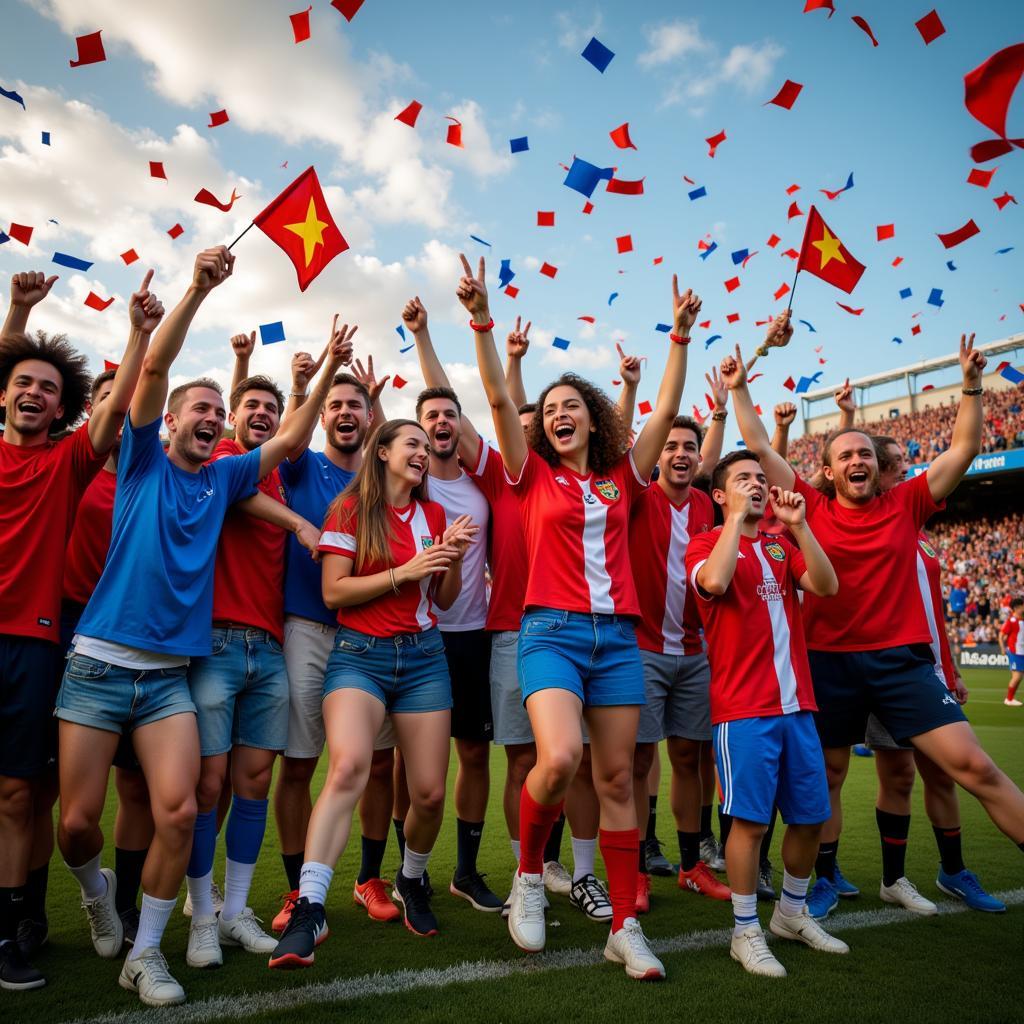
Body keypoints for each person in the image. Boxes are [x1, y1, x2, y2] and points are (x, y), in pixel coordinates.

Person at [54, 247, 351, 1008]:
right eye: (203, 411)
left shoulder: (224, 478)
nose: (212, 421)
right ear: (175, 422)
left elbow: (284, 443)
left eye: (219, 414)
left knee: (183, 809)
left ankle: (146, 952)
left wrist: (317, 381)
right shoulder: (141, 463)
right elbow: (148, 379)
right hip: (95, 665)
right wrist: (192, 291)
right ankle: (96, 890)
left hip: (166, 679)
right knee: (79, 825)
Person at [723, 323, 1024, 924]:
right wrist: (737, 391)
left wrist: (971, 386)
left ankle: (934, 869)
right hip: (827, 660)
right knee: (829, 776)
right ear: (828, 472)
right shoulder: (807, 506)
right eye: (845, 455)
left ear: (875, 464)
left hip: (902, 661)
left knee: (973, 766)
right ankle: (825, 878)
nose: (857, 460)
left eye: (864, 453)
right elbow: (759, 445)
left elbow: (962, 450)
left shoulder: (905, 502)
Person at [465, 253, 696, 981]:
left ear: (595, 420)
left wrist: (680, 341)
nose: (559, 414)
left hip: (619, 641)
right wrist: (485, 326)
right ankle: (530, 879)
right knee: (558, 759)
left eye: (573, 406)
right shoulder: (530, 475)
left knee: (619, 779)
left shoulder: (625, 476)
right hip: (550, 633)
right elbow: (504, 406)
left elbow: (657, 417)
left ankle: (625, 925)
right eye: (552, 408)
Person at [0, 268, 161, 991]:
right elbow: (12, 371)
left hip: (50, 645)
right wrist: (19, 310)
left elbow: (118, 406)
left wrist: (140, 331)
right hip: (58, 635)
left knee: (26, 795)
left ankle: (23, 926)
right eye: (22, 385)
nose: (33, 394)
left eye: (49, 390)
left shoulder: (82, 461)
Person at [268, 419, 477, 966]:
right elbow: (334, 591)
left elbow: (447, 601)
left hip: (425, 659)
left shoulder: (434, 515)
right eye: (412, 443)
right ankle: (311, 906)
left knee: (429, 793)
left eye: (427, 449)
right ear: (381, 451)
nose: (423, 453)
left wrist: (450, 559)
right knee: (349, 768)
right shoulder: (349, 509)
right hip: (360, 655)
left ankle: (410, 879)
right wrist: (405, 572)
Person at [182, 322, 353, 970]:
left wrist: (310, 385)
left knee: (253, 780)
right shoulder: (222, 465)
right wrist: (302, 523)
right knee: (209, 783)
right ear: (231, 416)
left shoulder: (283, 472)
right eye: (250, 406)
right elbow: (244, 476)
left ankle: (235, 913)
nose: (262, 416)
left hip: (269, 645)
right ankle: (201, 917)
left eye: (271, 409)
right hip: (217, 643)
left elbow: (287, 445)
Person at [685, 450, 847, 977]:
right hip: (743, 710)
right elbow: (713, 583)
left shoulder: (782, 543)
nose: (757, 485)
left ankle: (792, 913)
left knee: (811, 818)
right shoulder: (707, 542)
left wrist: (800, 528)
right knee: (750, 823)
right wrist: (733, 519)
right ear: (719, 493)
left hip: (798, 706)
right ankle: (745, 929)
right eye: (743, 480)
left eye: (760, 478)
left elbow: (827, 586)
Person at [269, 353, 400, 932]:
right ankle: (300, 891)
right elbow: (287, 437)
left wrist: (381, 407)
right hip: (310, 629)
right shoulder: (301, 467)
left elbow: (401, 443)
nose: (347, 413)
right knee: (299, 766)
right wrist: (304, 385)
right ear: (322, 417)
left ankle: (369, 878)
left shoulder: (385, 475)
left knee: (378, 763)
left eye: (357, 406)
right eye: (337, 406)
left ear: (371, 417)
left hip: (374, 636)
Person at [56, 370, 155, 952]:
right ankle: (94, 892)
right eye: (110, 400)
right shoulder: (74, 470)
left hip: (143, 645)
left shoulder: (161, 472)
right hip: (74, 633)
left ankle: (126, 904)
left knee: (138, 788)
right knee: (71, 815)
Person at [629, 387, 731, 913]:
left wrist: (718, 414)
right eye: (670, 446)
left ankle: (691, 865)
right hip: (642, 647)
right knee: (640, 757)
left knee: (688, 757)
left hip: (695, 651)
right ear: (657, 454)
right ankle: (640, 868)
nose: (681, 453)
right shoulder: (638, 496)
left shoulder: (707, 509)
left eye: (689, 446)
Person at [999, 596, 1023, 706]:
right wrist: (1003, 648)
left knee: (1018, 677)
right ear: (1017, 608)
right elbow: (1001, 635)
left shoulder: (1021, 620)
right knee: (1017, 676)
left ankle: (1010, 698)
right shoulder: (1011, 621)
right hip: (1015, 652)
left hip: (1022, 652)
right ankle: (1009, 699)